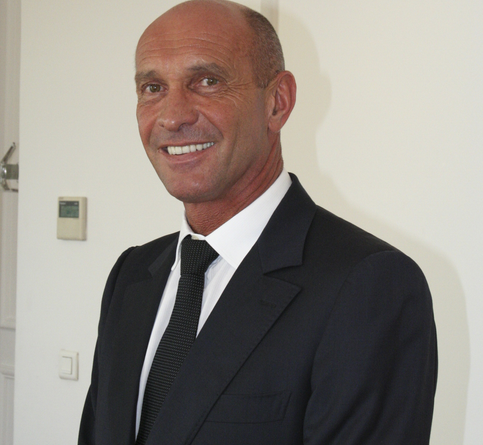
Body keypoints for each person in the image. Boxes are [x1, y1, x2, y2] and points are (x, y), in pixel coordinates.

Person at [79, 0, 437, 444]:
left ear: (277, 102)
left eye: (207, 81)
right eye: (153, 88)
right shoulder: (132, 275)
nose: (172, 116)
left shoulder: (368, 286)